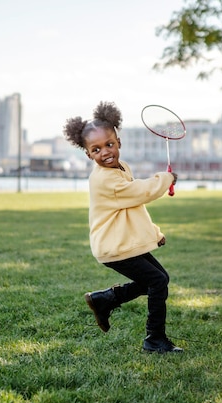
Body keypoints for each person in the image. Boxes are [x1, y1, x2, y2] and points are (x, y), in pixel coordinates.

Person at [62, 101, 183, 353]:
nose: (105, 152)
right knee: (158, 281)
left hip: (123, 242)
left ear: (119, 142)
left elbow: (133, 208)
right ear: (88, 154)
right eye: (96, 149)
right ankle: (154, 339)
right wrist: (166, 178)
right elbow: (139, 193)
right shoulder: (105, 179)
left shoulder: (121, 167)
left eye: (109, 144)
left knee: (158, 280)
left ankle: (104, 299)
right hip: (113, 246)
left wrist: (155, 234)